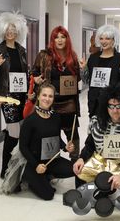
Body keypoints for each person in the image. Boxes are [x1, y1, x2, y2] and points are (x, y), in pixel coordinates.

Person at [73, 85, 120, 211]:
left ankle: (109, 190)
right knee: (79, 172)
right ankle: (102, 191)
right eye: (111, 106)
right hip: (101, 162)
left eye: (119, 106)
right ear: (105, 106)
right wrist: (81, 158)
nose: (115, 111)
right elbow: (90, 145)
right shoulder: (96, 123)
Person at [0, 11, 29, 178]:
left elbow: (24, 73)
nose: (11, 32)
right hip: (7, 96)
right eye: (8, 29)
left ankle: (17, 167)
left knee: (21, 131)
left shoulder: (22, 50)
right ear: (2, 31)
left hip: (22, 96)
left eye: (14, 29)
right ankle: (5, 170)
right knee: (13, 132)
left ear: (19, 31)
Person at [32, 26, 80, 161]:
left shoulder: (72, 56)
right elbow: (34, 72)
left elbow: (78, 79)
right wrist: (36, 79)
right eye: (56, 37)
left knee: (73, 134)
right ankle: (51, 162)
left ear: (67, 39)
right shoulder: (44, 55)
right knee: (51, 134)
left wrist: (82, 69)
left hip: (69, 103)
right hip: (50, 102)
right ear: (52, 40)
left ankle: (75, 162)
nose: (59, 40)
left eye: (63, 37)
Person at [19, 82, 75, 200]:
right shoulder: (30, 120)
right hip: (33, 162)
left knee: (75, 169)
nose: (47, 99)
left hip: (51, 160)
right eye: (44, 95)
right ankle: (30, 178)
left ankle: (48, 175)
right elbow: (23, 147)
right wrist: (36, 165)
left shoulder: (56, 116)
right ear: (38, 96)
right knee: (48, 195)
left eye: (50, 96)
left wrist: (65, 147)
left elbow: (56, 138)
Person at [84, 24, 120, 118]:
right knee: (95, 130)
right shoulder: (93, 58)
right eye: (101, 38)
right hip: (95, 102)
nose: (104, 41)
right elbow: (86, 81)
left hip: (113, 104)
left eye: (107, 38)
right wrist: (83, 69)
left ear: (113, 40)